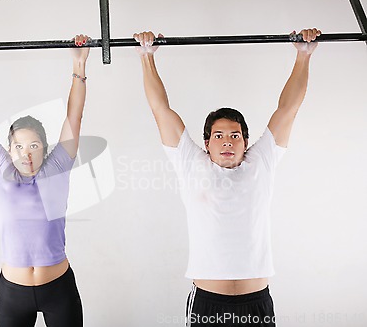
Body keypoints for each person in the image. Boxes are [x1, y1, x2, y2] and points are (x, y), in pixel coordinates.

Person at [133, 28, 321, 326]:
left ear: (246, 142)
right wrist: (146, 56)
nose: (228, 142)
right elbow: (160, 109)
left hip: (257, 300)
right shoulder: (191, 163)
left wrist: (303, 55)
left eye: (235, 135)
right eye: (219, 136)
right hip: (208, 301)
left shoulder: (262, 161)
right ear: (206, 144)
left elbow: (288, 109)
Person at [0, 34, 91, 327]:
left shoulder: (56, 167)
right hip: (13, 292)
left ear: (45, 148)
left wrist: (78, 64)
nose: (26, 154)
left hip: (58, 287)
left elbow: (74, 116)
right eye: (18, 147)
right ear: (9, 149)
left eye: (34, 146)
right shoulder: (0, 167)